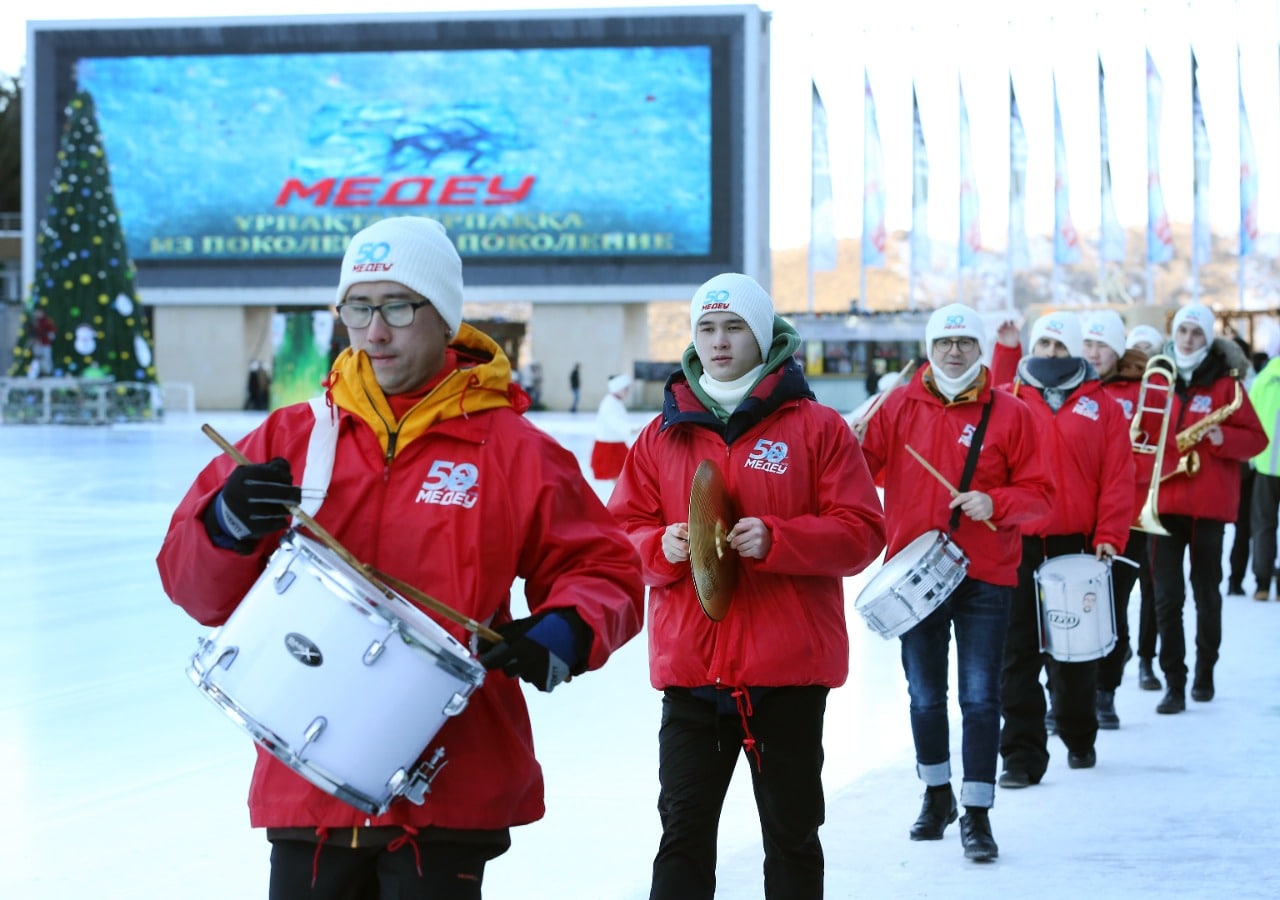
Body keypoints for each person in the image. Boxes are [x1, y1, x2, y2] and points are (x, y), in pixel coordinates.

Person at [156, 215, 645, 899]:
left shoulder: (515, 450)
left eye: (397, 307)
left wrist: (566, 631)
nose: (374, 332)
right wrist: (226, 523)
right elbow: (195, 592)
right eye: (357, 308)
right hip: (309, 782)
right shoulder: (293, 436)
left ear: (444, 316)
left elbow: (605, 571)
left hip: (448, 786)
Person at [607, 272, 886, 897]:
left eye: (734, 327)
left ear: (762, 335)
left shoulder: (818, 428)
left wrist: (780, 540)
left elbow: (863, 532)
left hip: (787, 676)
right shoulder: (660, 435)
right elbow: (618, 535)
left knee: (791, 837)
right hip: (692, 675)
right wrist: (658, 546)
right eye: (706, 328)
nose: (719, 341)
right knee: (682, 836)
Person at [860, 303, 1052, 863]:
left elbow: (1042, 496)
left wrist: (997, 502)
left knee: (980, 697)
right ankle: (937, 793)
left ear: (980, 348)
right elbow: (858, 473)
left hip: (985, 574)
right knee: (924, 696)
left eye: (965, 341)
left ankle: (978, 811)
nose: (954, 351)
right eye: (944, 342)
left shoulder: (1012, 413)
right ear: (929, 348)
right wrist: (846, 440)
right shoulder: (897, 405)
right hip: (914, 576)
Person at [995, 311, 1134, 786]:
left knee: (1073, 653)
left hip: (1076, 546)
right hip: (1016, 541)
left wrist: (1109, 534)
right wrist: (1007, 350)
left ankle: (1078, 734)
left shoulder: (1103, 406)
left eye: (1059, 346)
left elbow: (1118, 476)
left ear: (1075, 350)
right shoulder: (1010, 396)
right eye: (1044, 345)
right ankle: (1021, 755)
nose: (1050, 354)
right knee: (1017, 653)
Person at [1150, 303, 1267, 713]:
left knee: (1206, 594)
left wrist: (1223, 439)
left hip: (1207, 507)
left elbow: (1258, 440)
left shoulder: (1227, 386)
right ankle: (1174, 682)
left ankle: (1205, 672)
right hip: (1162, 504)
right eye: (1183, 330)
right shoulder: (1156, 379)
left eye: (1196, 332)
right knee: (1167, 598)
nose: (1188, 339)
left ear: (1208, 338)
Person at [1081, 309, 1152, 729]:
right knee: (1072, 607)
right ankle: (1068, 693)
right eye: (1087, 344)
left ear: (1118, 350)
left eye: (1102, 345)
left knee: (1112, 606)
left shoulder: (1140, 390)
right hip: (1076, 517)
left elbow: (1158, 453)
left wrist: (1118, 467)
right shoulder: (1069, 387)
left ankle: (1105, 692)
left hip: (1127, 517)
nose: (1093, 353)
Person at [1124, 323, 1167, 691]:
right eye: (1136, 347)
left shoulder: (1163, 389)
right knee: (1117, 589)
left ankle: (1146, 660)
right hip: (1120, 505)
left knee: (1153, 591)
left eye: (1148, 349)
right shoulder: (1113, 388)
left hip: (1153, 500)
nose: (1142, 355)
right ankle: (1120, 645)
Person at [1249, 332, 1280, 601]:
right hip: (1265, 464)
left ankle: (1262, 584)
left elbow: (1250, 419)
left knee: (1263, 526)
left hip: (1265, 466)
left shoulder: (1263, 378)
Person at [590, 373, 635, 481]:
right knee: (620, 477)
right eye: (625, 389)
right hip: (609, 446)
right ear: (618, 388)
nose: (627, 392)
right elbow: (614, 421)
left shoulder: (616, 401)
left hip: (616, 444)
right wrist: (629, 429)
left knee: (623, 477)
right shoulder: (609, 403)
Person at [27, 307, 56, 377]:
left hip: (45, 343)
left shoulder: (47, 322)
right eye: (37, 312)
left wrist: (47, 336)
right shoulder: (34, 321)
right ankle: (37, 372)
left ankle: (48, 372)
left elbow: (52, 332)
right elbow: (31, 331)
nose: (38, 314)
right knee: (37, 358)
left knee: (46, 357)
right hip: (37, 343)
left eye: (40, 312)